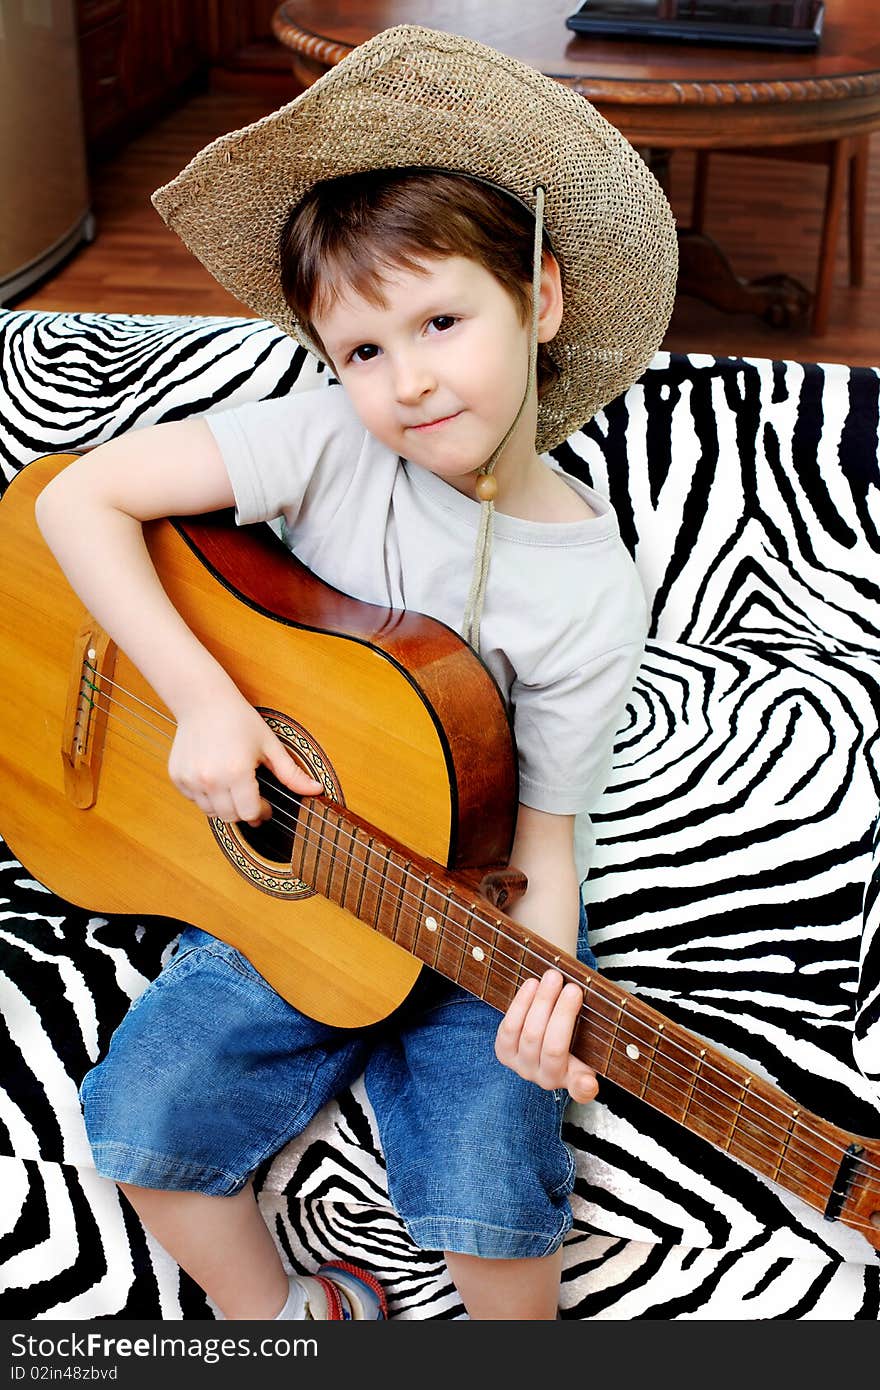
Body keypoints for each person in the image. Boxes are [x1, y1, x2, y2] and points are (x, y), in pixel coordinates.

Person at [34, 25, 677, 1320]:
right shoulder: (328, 438)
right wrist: (206, 698)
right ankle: (283, 1318)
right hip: (290, 892)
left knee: (501, 1197)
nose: (407, 381)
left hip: (473, 894)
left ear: (541, 302)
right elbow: (77, 502)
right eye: (363, 351)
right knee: (139, 1122)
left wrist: (544, 998)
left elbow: (547, 842)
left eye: (442, 320)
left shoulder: (591, 593)